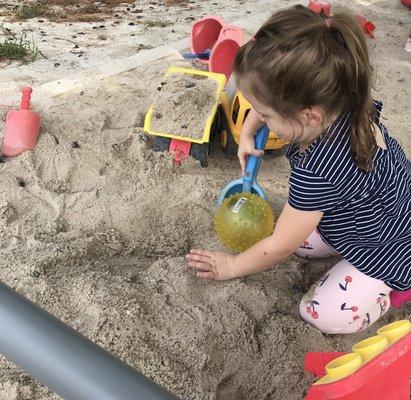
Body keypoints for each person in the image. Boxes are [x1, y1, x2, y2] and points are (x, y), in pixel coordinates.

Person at [186, 5, 411, 334]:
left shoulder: (321, 169)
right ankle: (343, 241)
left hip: (389, 243)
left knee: (318, 313)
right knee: (300, 239)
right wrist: (247, 133)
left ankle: (393, 288)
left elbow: (279, 247)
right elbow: (263, 101)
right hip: (377, 208)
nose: (260, 117)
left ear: (309, 116)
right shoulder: (340, 92)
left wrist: (232, 265)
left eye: (265, 114)